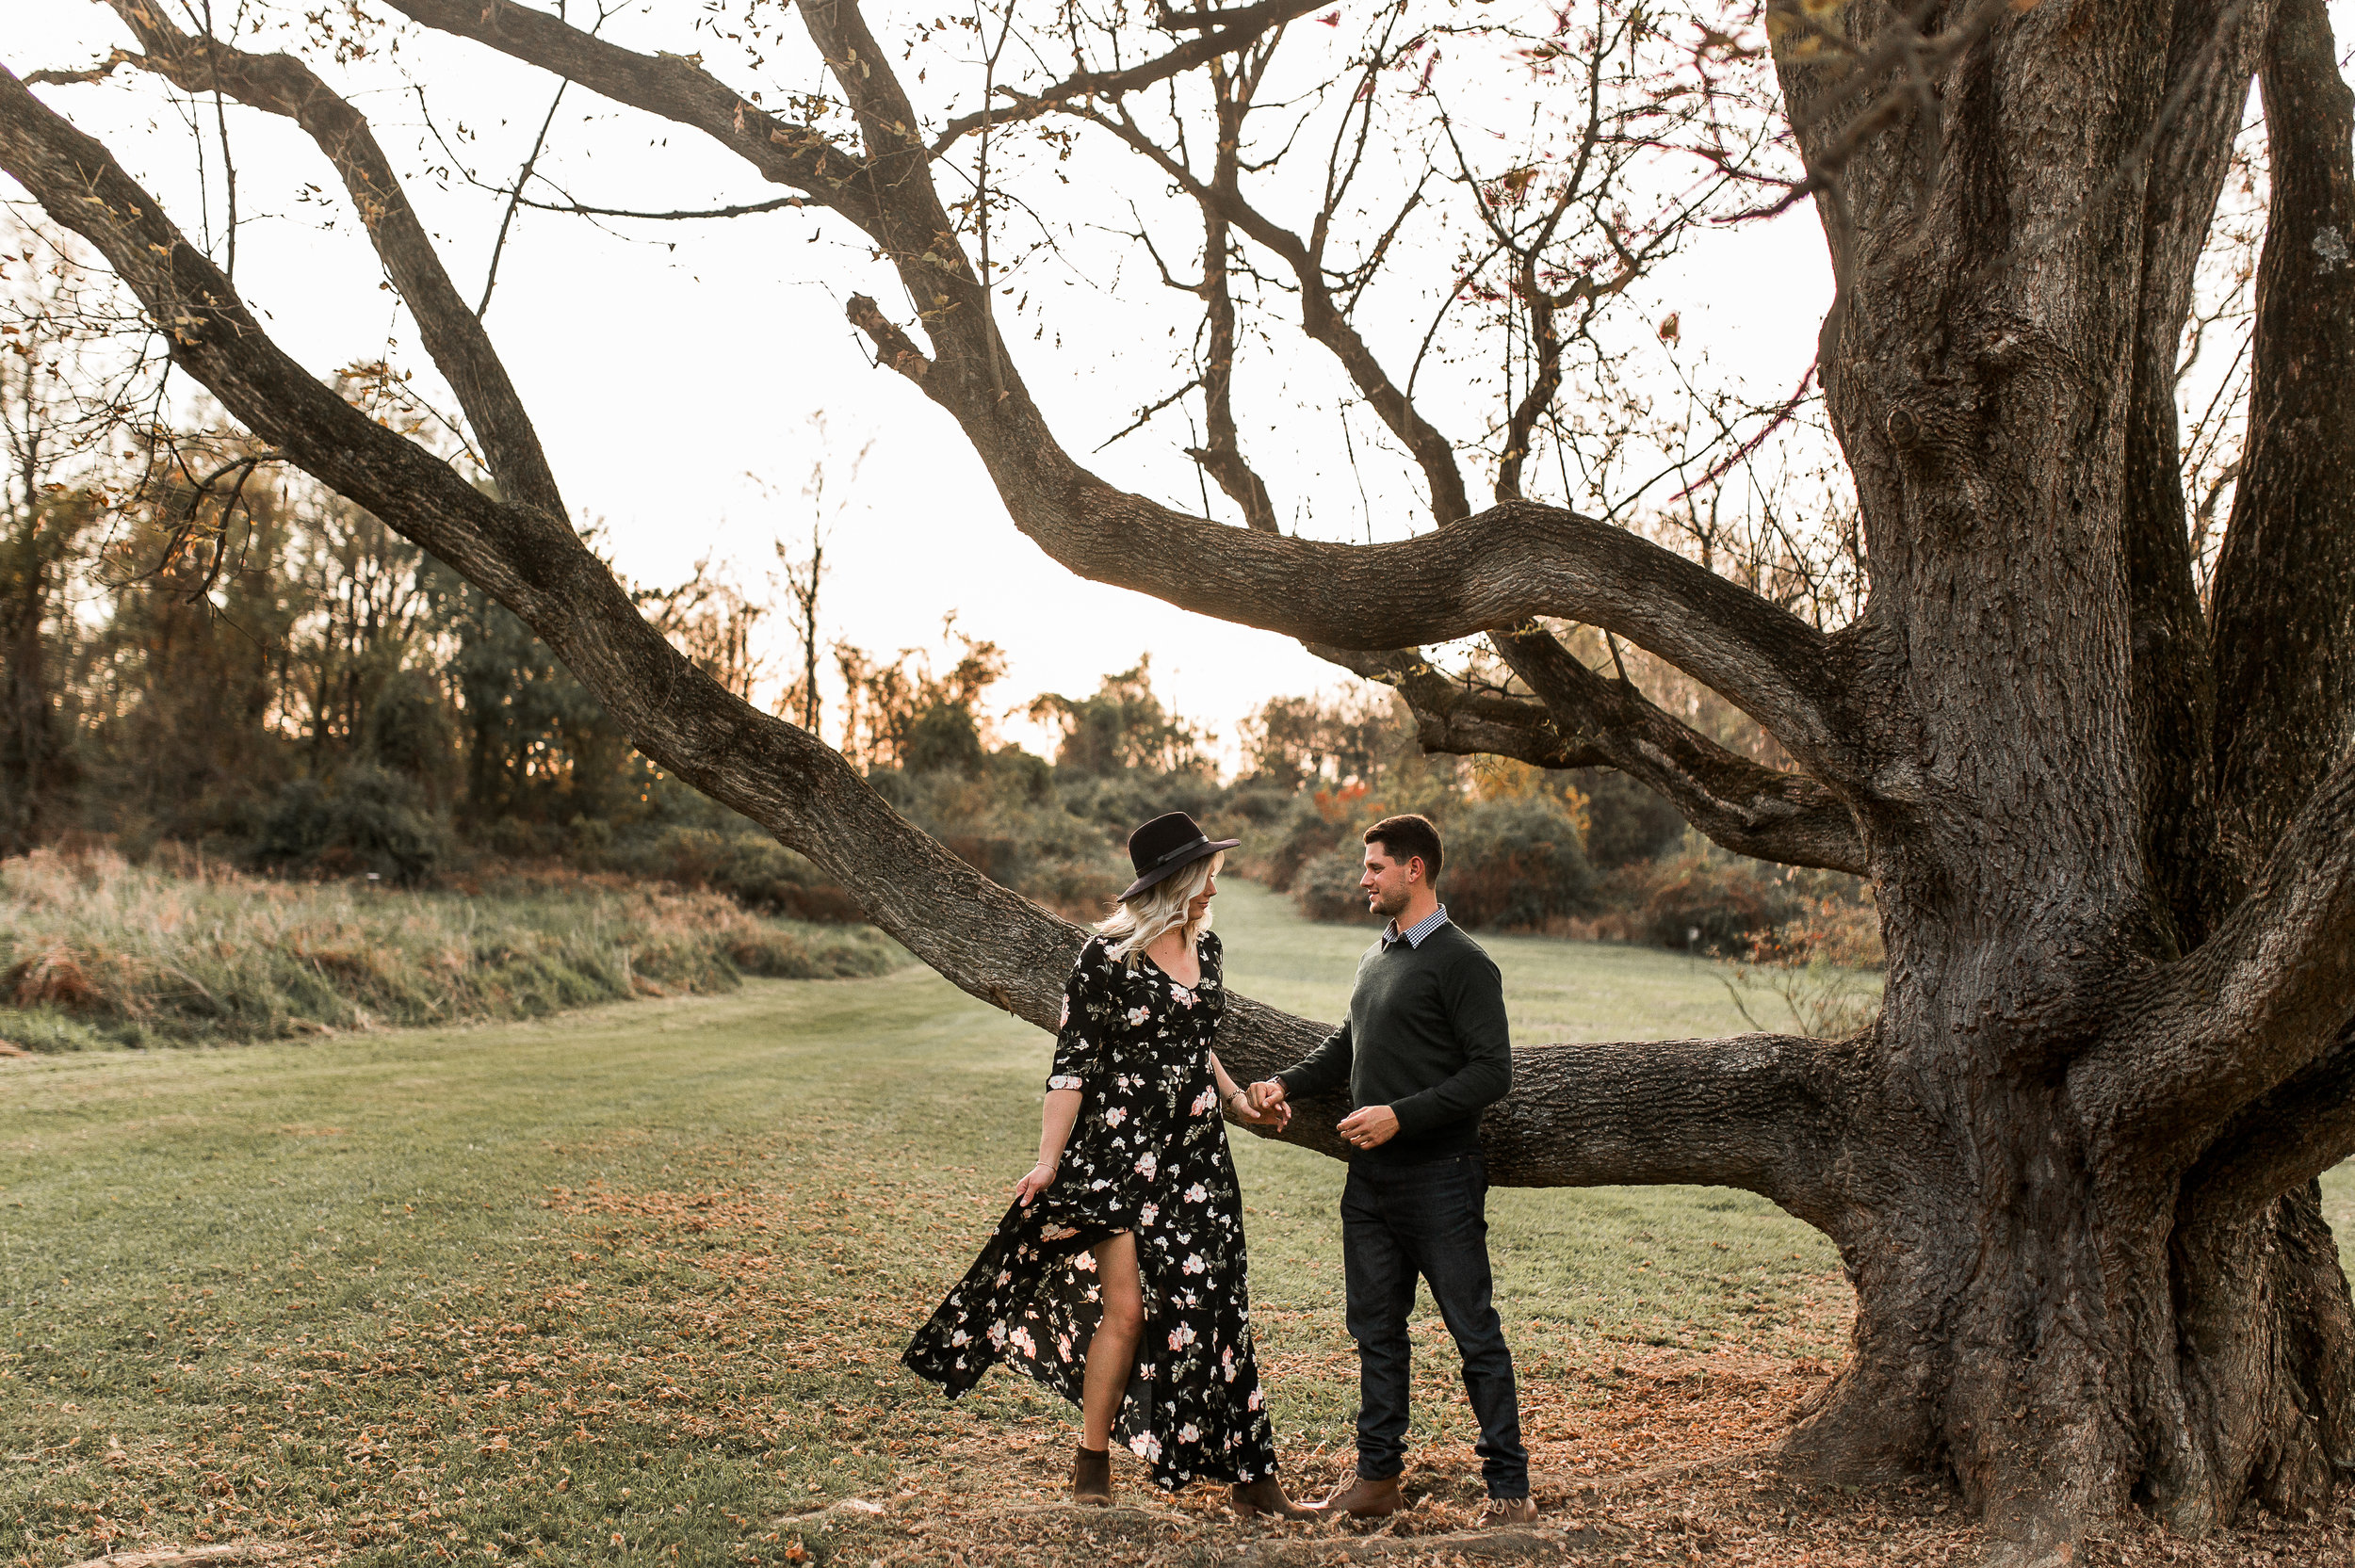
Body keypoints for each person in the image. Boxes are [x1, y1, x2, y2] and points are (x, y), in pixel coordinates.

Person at [904, 811, 1313, 1518]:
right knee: (1124, 1311)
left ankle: (1254, 1479)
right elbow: (1071, 1068)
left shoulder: (1207, 950)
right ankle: (1091, 1459)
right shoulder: (1105, 958)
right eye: (1205, 877)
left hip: (1197, 1162)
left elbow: (1195, 1041)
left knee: (1219, 1301)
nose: (1214, 888)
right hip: (1116, 1163)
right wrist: (1046, 1162)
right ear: (1173, 883)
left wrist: (1238, 1103)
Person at [1249, 814, 1536, 1527]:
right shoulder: (1378, 954)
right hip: (1369, 1183)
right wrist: (1288, 1081)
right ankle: (1377, 1479)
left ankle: (1509, 1490)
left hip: (1441, 1175)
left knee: (1474, 1333)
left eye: (1375, 865)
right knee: (1376, 1331)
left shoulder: (1464, 961)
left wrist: (1398, 1114)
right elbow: (1348, 1043)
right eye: (1364, 865)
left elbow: (1492, 1072)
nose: (1363, 877)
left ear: (1416, 869)